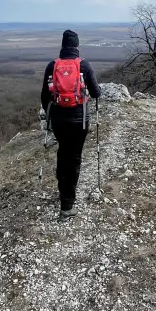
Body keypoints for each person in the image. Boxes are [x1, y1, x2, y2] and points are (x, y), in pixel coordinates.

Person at [41, 29, 101, 219]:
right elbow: (96, 92)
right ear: (76, 46)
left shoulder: (52, 66)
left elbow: (44, 96)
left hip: (59, 120)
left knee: (63, 153)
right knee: (74, 157)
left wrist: (53, 114)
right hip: (79, 120)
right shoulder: (84, 65)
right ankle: (67, 204)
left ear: (62, 46)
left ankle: (63, 192)